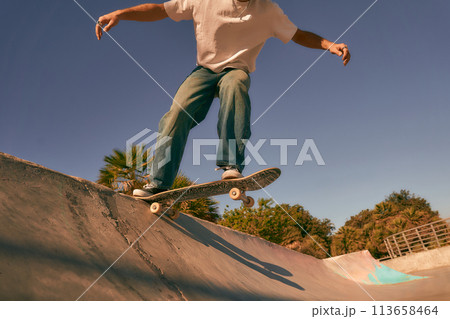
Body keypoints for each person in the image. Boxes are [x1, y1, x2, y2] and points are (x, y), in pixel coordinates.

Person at [95, 0, 351, 197]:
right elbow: (161, 9)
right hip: (204, 71)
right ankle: (159, 184)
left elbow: (298, 34)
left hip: (236, 69)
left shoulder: (268, 10)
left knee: (236, 84)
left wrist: (328, 44)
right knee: (176, 114)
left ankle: (232, 164)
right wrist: (121, 14)